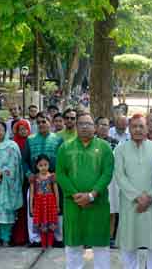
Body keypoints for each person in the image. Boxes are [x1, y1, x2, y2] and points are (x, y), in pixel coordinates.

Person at [56, 113, 114, 268]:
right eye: (81, 124)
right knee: (74, 243)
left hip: (98, 203)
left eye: (88, 124)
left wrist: (92, 195)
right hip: (73, 204)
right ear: (76, 127)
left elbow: (107, 173)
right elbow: (60, 174)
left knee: (100, 244)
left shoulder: (104, 147)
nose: (84, 127)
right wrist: (76, 195)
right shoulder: (65, 147)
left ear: (94, 127)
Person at [114, 114, 152, 269]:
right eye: (134, 126)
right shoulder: (120, 149)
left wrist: (149, 196)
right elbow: (120, 176)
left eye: (141, 126)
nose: (137, 129)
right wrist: (137, 197)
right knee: (129, 242)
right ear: (129, 128)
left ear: (147, 128)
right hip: (130, 204)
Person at [22, 114, 64, 247]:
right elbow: (23, 161)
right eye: (38, 122)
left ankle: (58, 238)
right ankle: (35, 239)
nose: (41, 124)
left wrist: (58, 173)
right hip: (36, 181)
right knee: (32, 210)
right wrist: (29, 174)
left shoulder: (58, 140)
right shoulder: (30, 140)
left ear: (49, 122)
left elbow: (63, 160)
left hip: (54, 181)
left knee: (57, 210)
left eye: (44, 121)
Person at [95, 116, 121, 247]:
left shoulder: (115, 142)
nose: (104, 127)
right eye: (101, 124)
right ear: (95, 127)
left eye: (106, 125)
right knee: (95, 209)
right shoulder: (90, 142)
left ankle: (110, 237)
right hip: (94, 180)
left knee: (111, 209)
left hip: (112, 181)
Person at [29, 154, 60, 248]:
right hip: (39, 204)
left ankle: (50, 244)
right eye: (41, 165)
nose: (43, 167)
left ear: (49, 165)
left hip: (50, 203)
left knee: (51, 223)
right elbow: (31, 194)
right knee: (41, 224)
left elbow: (56, 192)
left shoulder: (52, 177)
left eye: (45, 165)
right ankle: (43, 245)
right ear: (37, 166)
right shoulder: (34, 178)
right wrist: (31, 207)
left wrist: (58, 205)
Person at [11, 120, 32, 245]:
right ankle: (18, 236)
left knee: (27, 207)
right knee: (18, 208)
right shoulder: (13, 143)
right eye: (20, 129)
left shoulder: (31, 142)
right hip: (15, 180)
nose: (23, 131)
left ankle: (28, 235)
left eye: (25, 129)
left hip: (28, 179)